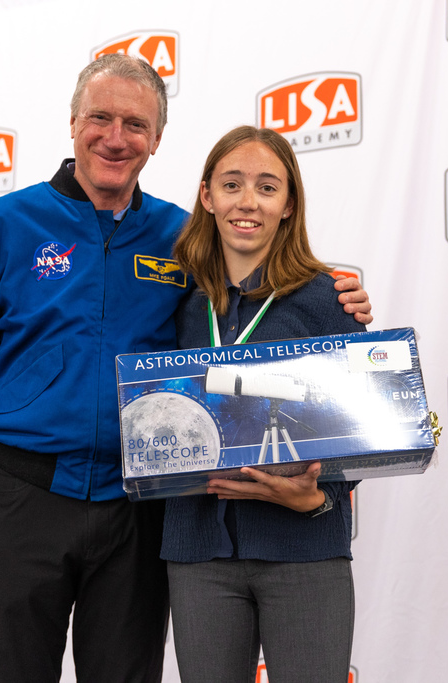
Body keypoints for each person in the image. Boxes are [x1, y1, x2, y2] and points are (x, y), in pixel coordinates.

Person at [0, 56, 373, 682]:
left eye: (135, 124)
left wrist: (338, 294)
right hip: (25, 497)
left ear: (156, 140)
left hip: (139, 505)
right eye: (100, 118)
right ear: (73, 123)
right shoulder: (4, 226)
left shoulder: (182, 236)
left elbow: (261, 282)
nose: (115, 137)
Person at [162, 126, 363, 683]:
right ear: (207, 197)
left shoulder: (327, 298)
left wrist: (317, 497)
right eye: (232, 185)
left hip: (304, 549)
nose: (247, 201)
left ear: (288, 204)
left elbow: (359, 432)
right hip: (199, 551)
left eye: (267, 187)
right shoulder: (180, 304)